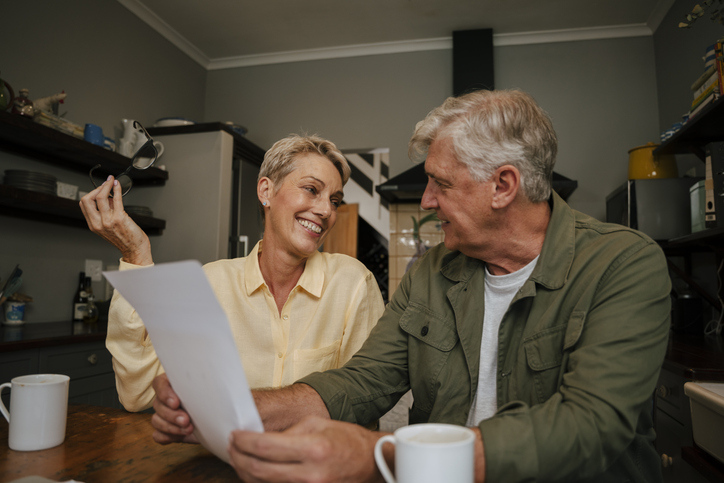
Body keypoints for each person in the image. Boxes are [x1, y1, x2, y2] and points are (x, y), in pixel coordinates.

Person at [151, 90, 671, 483]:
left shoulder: (623, 264)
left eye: (440, 183)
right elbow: (363, 382)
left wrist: (384, 455)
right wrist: (232, 407)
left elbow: (591, 425)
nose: (425, 201)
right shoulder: (433, 272)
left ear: (503, 186)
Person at [80, 133, 385, 412]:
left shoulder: (353, 284)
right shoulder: (209, 284)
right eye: (311, 189)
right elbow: (138, 394)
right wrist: (136, 255)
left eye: (334, 200)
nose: (325, 211)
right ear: (266, 190)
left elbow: (367, 399)